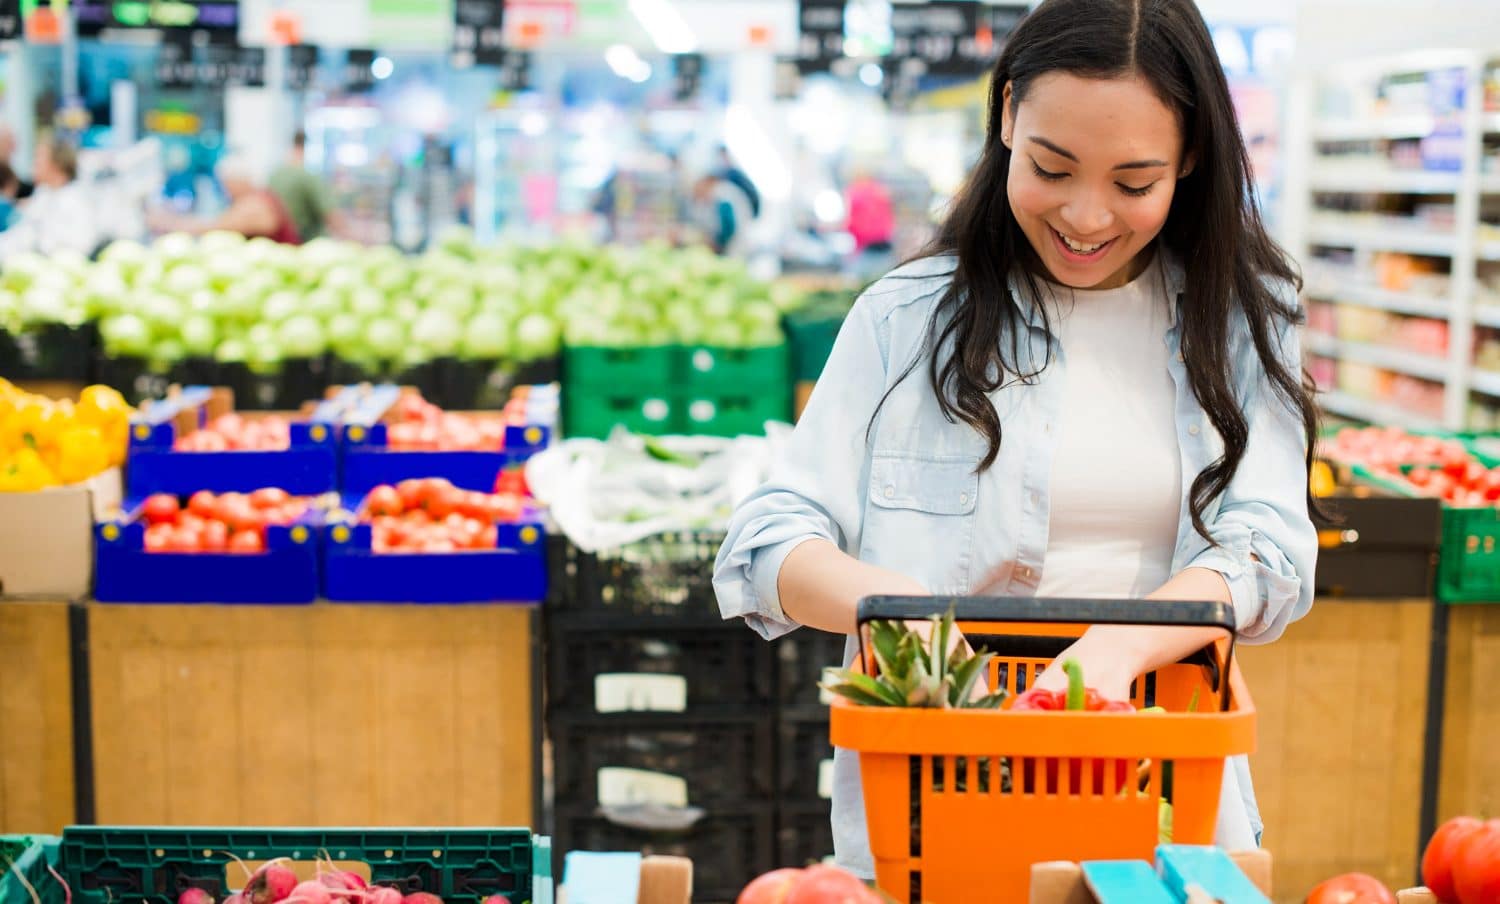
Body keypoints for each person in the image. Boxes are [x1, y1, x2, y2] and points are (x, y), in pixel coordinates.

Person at [714, 0, 1318, 879]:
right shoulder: (905, 319)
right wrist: (895, 609)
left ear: (1190, 158)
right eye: (1051, 167)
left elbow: (1270, 552)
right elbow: (766, 542)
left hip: (1165, 804)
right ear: (1007, 118)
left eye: (1134, 183)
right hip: (931, 810)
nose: (1086, 216)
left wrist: (1122, 646)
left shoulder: (1245, 321)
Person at [149, 154, 301, 243]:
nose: (225, 190)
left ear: (239, 181)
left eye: (226, 183)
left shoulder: (256, 204)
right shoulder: (256, 199)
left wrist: (172, 224)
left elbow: (217, 226)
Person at [268, 131, 343, 241]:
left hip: (280, 242)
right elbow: (332, 216)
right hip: (307, 242)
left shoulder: (274, 175)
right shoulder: (308, 177)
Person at [690, 173, 754, 257]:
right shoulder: (723, 191)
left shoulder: (722, 193)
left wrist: (719, 242)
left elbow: (728, 224)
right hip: (736, 241)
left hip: (736, 244)